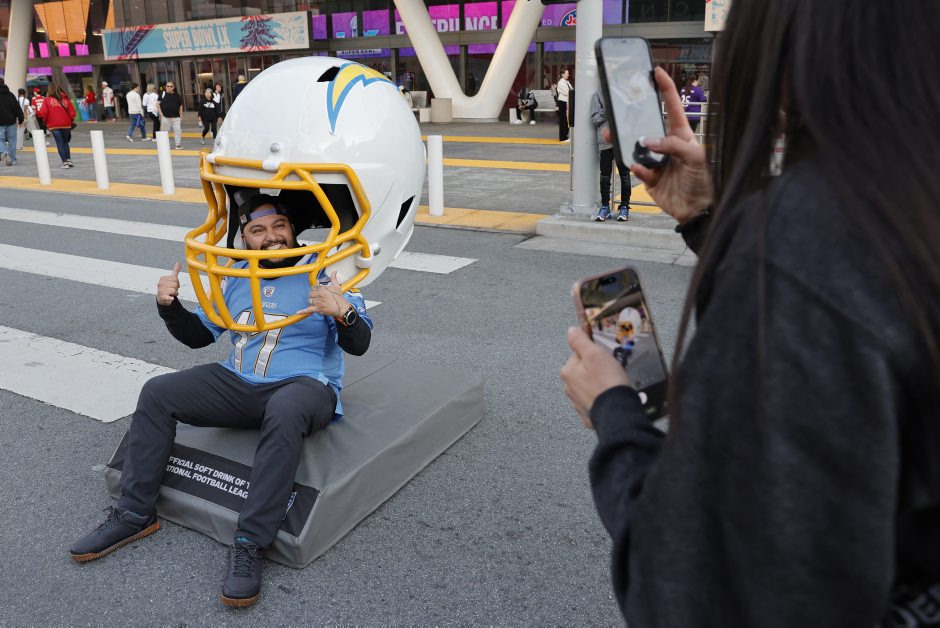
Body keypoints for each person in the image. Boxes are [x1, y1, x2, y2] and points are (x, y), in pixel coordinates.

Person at [561, 1, 940, 625]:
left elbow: (698, 592)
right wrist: (710, 219)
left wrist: (614, 411)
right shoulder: (907, 195)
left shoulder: (810, 237)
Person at [69, 194, 373, 607]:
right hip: (239, 381)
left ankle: (251, 541)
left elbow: (359, 344)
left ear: (292, 229)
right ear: (244, 238)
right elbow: (199, 336)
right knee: (158, 391)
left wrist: (342, 311)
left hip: (304, 387)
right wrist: (169, 307)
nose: (271, 236)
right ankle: (135, 513)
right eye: (258, 230)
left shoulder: (326, 272)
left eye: (279, 226)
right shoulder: (235, 273)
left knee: (285, 409)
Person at [590, 89, 630, 222]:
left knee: (624, 175)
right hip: (605, 141)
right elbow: (595, 119)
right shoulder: (598, 94)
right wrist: (607, 111)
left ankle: (624, 207)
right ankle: (605, 207)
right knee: (605, 176)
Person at [36, 82, 75, 169]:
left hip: (54, 125)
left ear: (49, 90)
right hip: (66, 124)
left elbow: (43, 113)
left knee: (59, 143)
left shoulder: (47, 100)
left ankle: (64, 162)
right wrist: (69, 121)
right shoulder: (66, 99)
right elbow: (72, 112)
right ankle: (69, 160)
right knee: (65, 142)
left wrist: (45, 121)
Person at [0, 79, 25, 166]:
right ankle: (13, 159)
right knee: (12, 140)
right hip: (11, 121)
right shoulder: (10, 95)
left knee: (0, 139)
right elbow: (17, 108)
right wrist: (21, 119)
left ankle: (4, 152)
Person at [157, 81, 184, 149]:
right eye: (167, 86)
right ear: (165, 87)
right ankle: (163, 146)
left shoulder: (177, 95)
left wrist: (181, 114)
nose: (169, 87)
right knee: (164, 132)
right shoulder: (162, 94)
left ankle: (178, 145)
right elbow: (157, 104)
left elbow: (180, 105)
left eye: (171, 86)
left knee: (177, 131)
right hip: (165, 117)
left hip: (176, 117)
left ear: (173, 87)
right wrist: (161, 114)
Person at [555, 69, 573, 142]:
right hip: (563, 102)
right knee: (563, 120)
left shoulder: (567, 82)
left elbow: (571, 90)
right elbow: (567, 92)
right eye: (567, 73)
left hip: (567, 101)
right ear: (562, 74)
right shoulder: (561, 82)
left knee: (566, 120)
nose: (568, 75)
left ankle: (565, 136)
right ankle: (562, 137)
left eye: (568, 73)